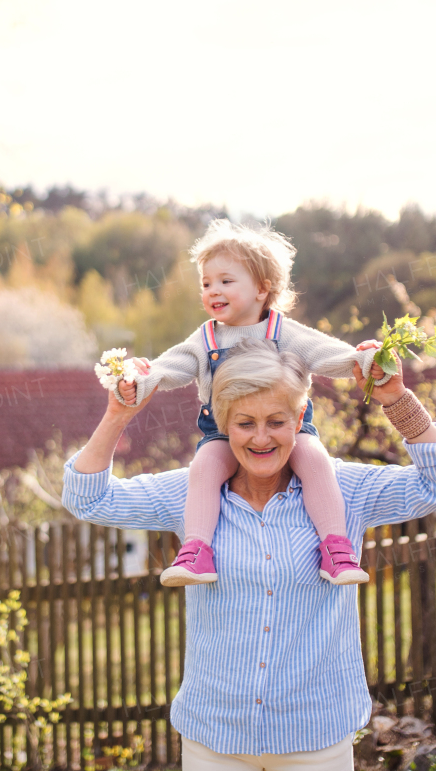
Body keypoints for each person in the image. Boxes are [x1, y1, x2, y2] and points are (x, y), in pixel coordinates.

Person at [64, 338, 436, 771]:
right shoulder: (190, 493)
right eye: (245, 423)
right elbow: (88, 499)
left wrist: (395, 399)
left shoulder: (344, 490)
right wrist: (117, 415)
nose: (261, 438)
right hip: (216, 739)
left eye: (277, 421)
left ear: (300, 418)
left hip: (314, 737)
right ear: (223, 423)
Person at [117, 221, 387, 587]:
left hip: (288, 427)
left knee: (314, 459)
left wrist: (363, 358)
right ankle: (197, 551)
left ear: (263, 288)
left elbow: (327, 355)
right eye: (206, 283)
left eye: (226, 281)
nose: (214, 290)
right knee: (205, 467)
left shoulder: (284, 331)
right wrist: (141, 377)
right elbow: (173, 367)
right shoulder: (206, 337)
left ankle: (336, 549)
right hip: (224, 432)